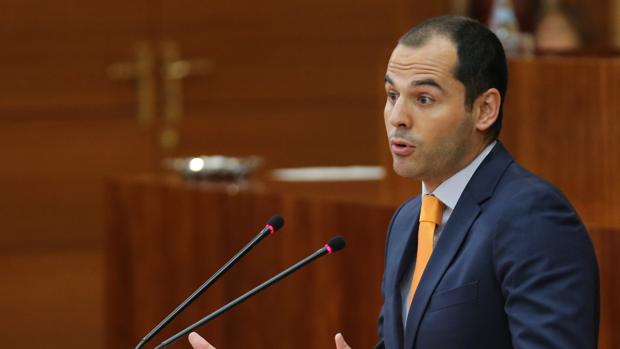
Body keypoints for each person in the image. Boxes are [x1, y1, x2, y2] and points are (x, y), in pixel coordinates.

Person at [188, 15, 599, 349]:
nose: (397, 117)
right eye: (391, 95)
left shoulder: (531, 216)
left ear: (485, 109)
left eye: (423, 99)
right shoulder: (409, 220)